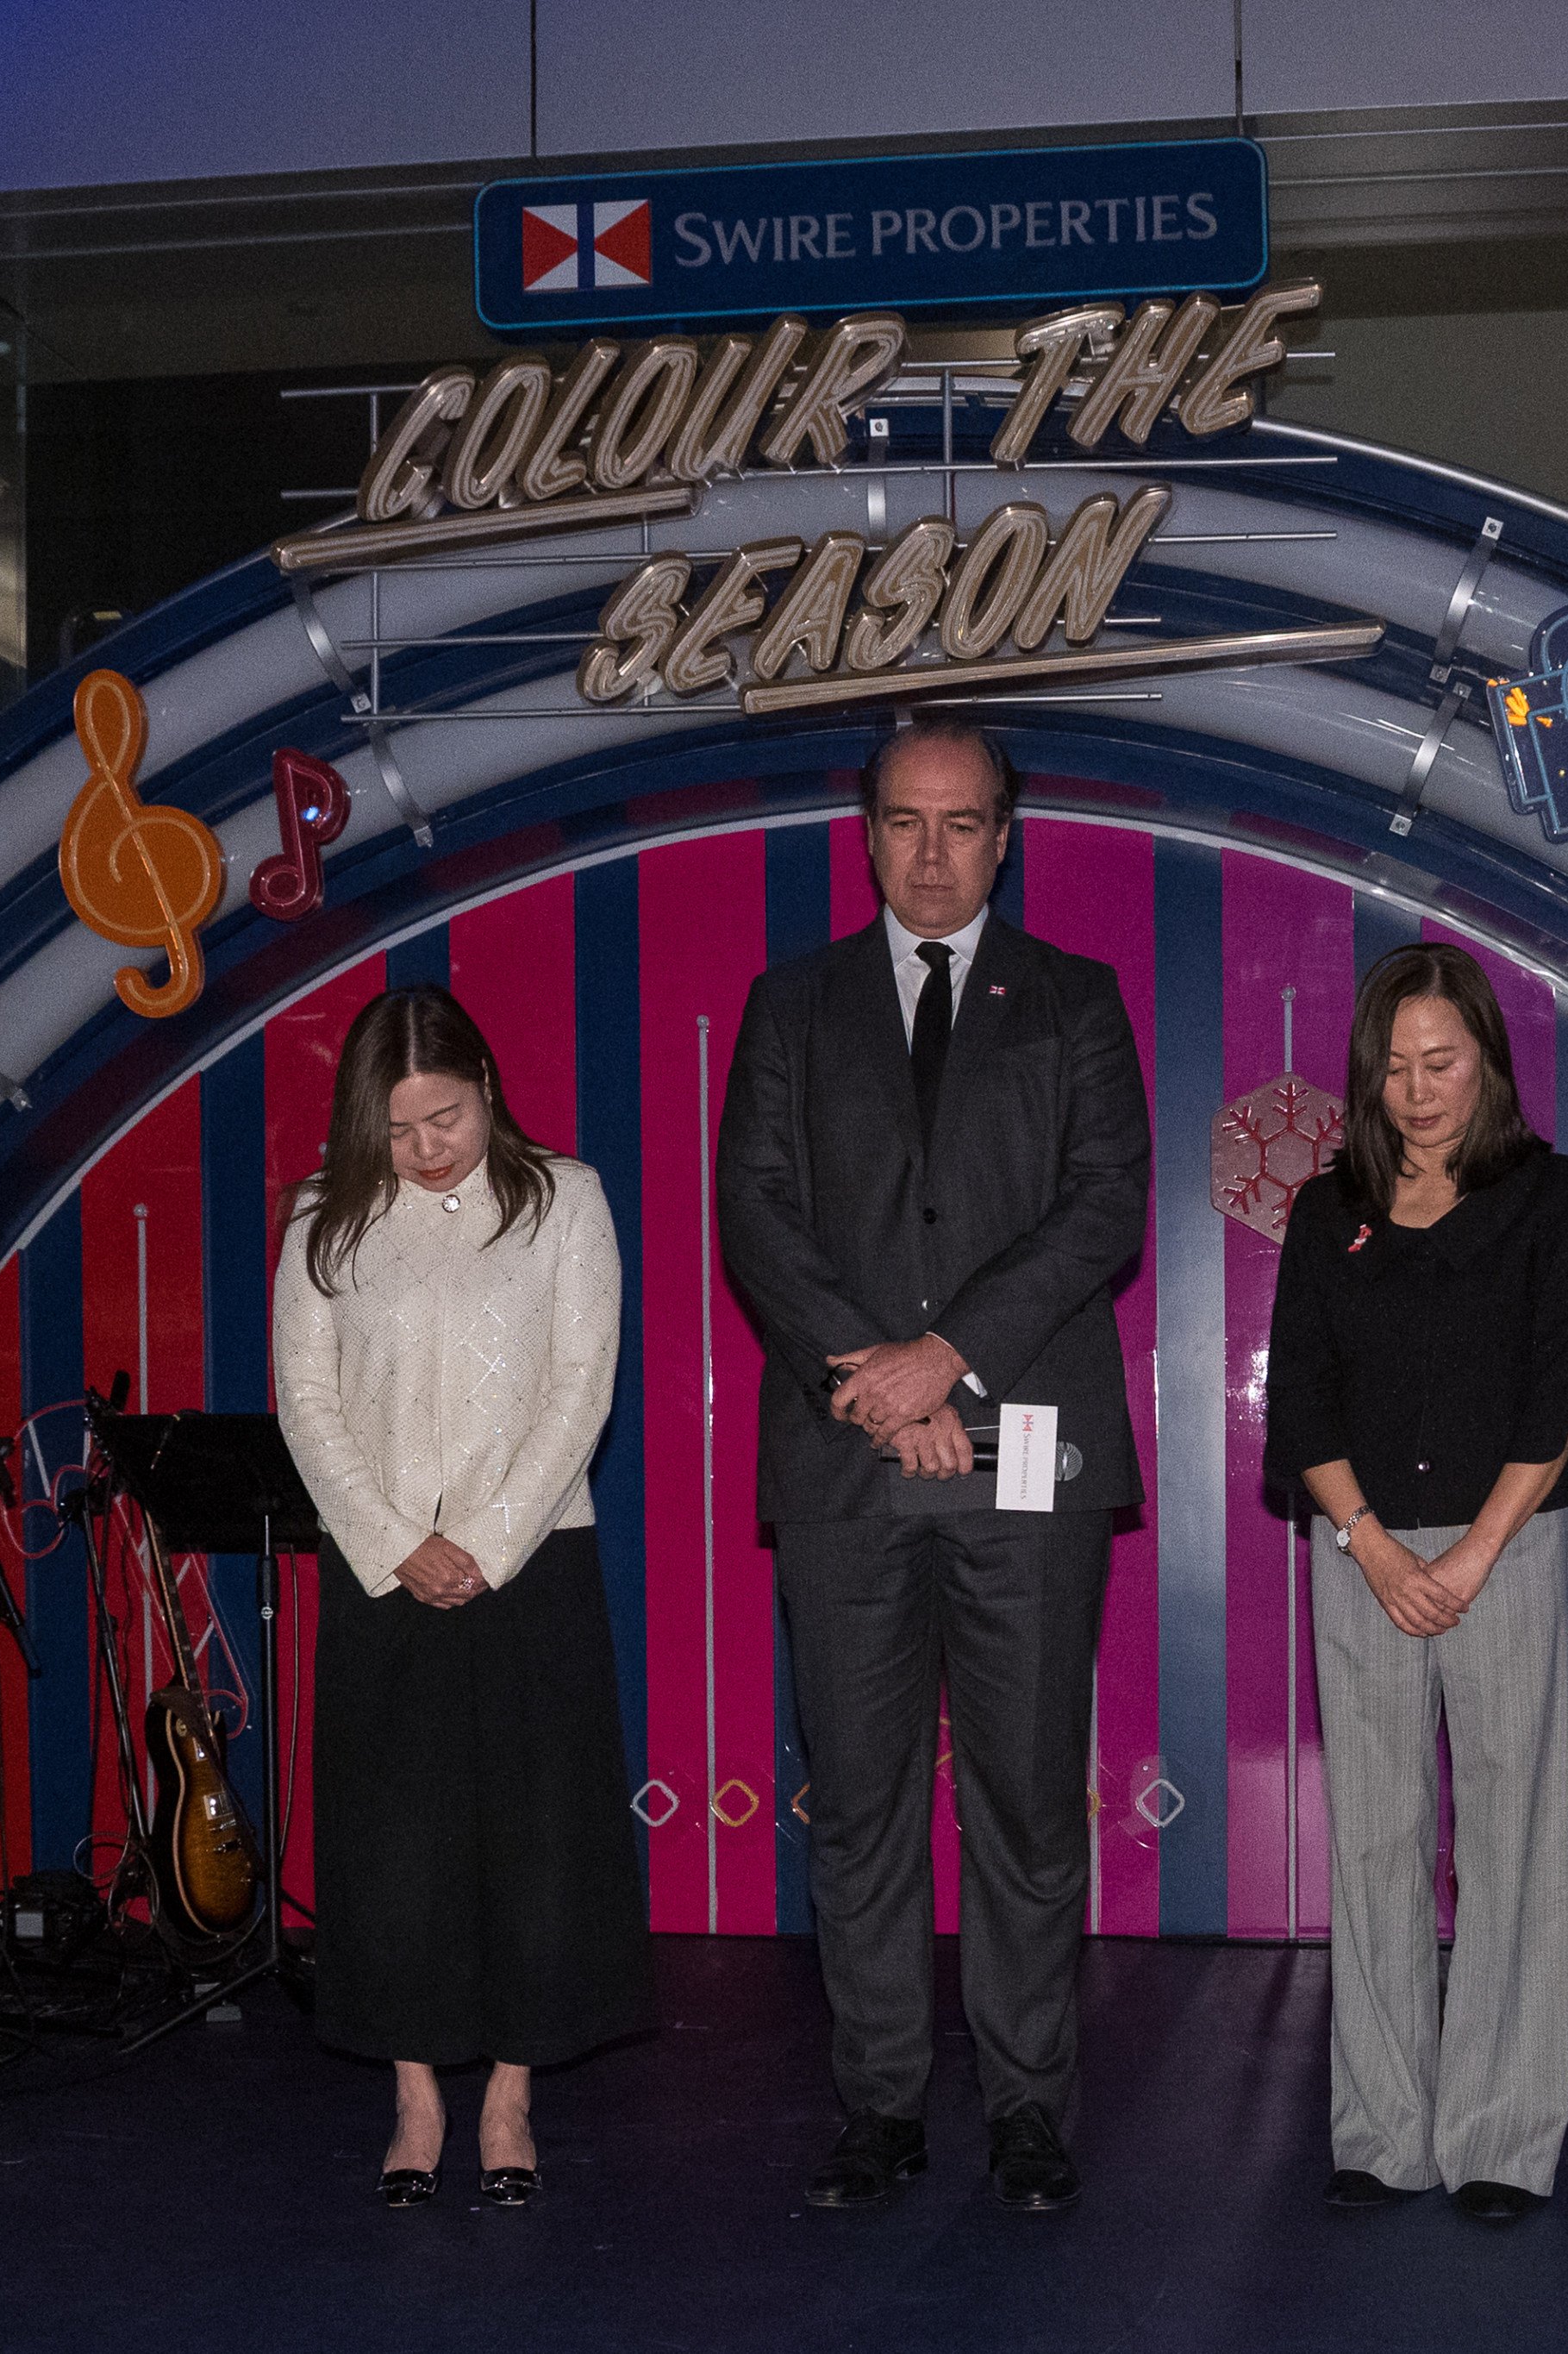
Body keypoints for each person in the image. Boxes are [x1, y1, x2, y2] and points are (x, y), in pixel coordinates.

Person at [715, 716, 1150, 2213]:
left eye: (962, 823)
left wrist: (943, 1355)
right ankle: (880, 2107)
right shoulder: (790, 1004)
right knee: (865, 1803)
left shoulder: (1079, 1003)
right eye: (905, 820)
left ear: (1006, 834)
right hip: (847, 1464)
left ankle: (1031, 2111)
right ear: (868, 831)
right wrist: (879, 1381)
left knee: (1029, 1801)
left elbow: (1103, 1210)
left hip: (1022, 1463)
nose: (931, 851)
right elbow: (757, 1218)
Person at [272, 985, 650, 2207]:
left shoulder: (564, 1201)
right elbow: (308, 1406)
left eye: (448, 1114)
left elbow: (580, 1391)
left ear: (487, 1085)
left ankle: (510, 2094)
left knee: (538, 1841)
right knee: (396, 1844)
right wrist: (397, 1542)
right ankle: (417, 2093)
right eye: (403, 1126)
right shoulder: (324, 1220)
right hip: (383, 1574)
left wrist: (485, 1540)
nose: (431, 1145)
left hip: (532, 1565)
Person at [1265, 942, 1568, 2223]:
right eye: (1396, 1065)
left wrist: (1467, 1554)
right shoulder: (1325, 1207)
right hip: (1358, 1552)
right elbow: (1296, 1397)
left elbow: (1563, 1395)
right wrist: (1375, 1546)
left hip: (1505, 1548)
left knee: (1515, 1839)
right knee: (1372, 1839)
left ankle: (1501, 2137)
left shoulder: (1549, 1195)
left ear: (1487, 1062)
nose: (1418, 1089)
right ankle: (1381, 2128)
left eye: (1442, 1061)